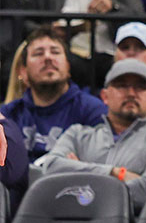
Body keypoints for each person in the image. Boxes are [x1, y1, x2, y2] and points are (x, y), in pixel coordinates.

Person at [36, 59, 146, 211]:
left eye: (140, 87)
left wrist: (77, 173)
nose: (131, 93)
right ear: (104, 96)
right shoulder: (77, 134)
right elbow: (51, 167)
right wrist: (116, 173)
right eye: (122, 86)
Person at [1, 28, 107, 161]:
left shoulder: (92, 111)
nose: (48, 57)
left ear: (68, 67)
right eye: (38, 53)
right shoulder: (8, 115)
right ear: (23, 72)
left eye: (55, 52)